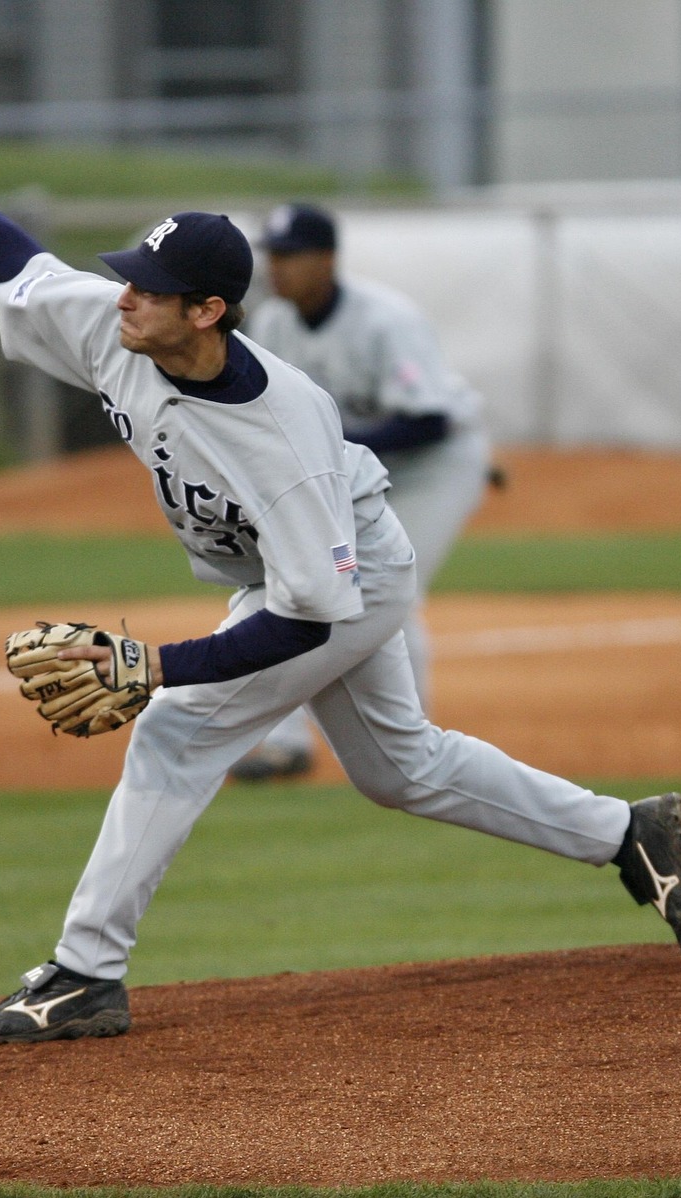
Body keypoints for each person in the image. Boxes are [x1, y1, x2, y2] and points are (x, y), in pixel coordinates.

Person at [0, 153, 681, 1044]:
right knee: (402, 769)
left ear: (208, 311)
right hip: (301, 575)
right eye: (131, 278)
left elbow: (312, 614)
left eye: (149, 288)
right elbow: (3, 251)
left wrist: (156, 668)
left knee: (178, 729)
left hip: (345, 576)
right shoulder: (121, 329)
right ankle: (627, 832)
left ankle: (84, 975)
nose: (126, 296)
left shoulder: (282, 439)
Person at [232, 202, 494, 782]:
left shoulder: (385, 320)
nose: (277, 268)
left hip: (434, 467)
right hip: (353, 473)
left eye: (291, 255)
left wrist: (327, 443)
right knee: (301, 584)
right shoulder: (272, 323)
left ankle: (416, 749)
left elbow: (429, 420)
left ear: (327, 259)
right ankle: (286, 743)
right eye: (272, 255)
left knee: (393, 591)